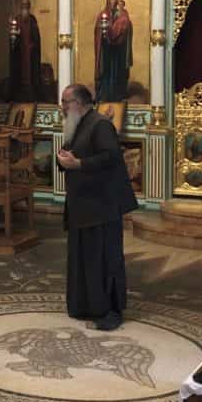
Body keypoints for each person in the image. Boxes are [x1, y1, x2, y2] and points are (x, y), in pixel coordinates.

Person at [57, 84, 138, 330]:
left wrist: (79, 164)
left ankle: (108, 311)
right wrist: (65, 161)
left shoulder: (100, 125)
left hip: (102, 206)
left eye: (65, 102)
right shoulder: (77, 124)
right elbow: (71, 157)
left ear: (79, 103)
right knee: (84, 258)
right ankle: (86, 305)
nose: (62, 107)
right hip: (83, 206)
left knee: (103, 259)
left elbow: (110, 157)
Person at [95, 0, 133, 103]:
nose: (113, 1)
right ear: (107, 0)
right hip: (106, 49)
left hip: (118, 49)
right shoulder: (102, 14)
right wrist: (104, 32)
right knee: (106, 71)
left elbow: (127, 27)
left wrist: (121, 29)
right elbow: (98, 30)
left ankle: (117, 95)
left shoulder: (121, 14)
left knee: (117, 72)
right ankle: (105, 95)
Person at [9, 0, 42, 102]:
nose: (25, 8)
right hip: (20, 54)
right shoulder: (16, 19)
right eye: (23, 6)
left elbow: (36, 37)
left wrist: (33, 45)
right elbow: (12, 37)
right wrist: (15, 37)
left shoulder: (32, 19)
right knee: (19, 75)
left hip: (30, 54)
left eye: (26, 6)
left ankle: (31, 96)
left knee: (31, 75)